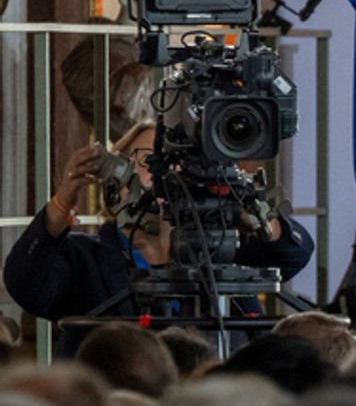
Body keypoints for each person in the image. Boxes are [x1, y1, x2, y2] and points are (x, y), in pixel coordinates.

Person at [3, 126, 314, 323]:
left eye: (177, 163)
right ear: (117, 175)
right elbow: (25, 285)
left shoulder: (223, 247)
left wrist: (256, 218)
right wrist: (60, 205)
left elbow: (294, 254)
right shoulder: (85, 259)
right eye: (150, 161)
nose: (167, 175)